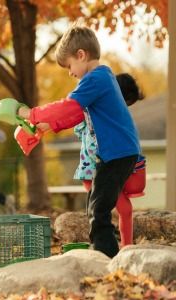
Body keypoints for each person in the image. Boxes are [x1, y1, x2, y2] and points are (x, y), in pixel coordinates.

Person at [17, 24, 142, 258]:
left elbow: (68, 106)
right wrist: (49, 125)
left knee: (99, 208)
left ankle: (108, 258)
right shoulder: (102, 76)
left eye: (69, 66)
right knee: (97, 204)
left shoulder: (95, 79)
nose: (70, 72)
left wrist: (31, 114)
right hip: (117, 152)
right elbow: (76, 115)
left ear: (81, 55)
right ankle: (110, 252)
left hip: (117, 153)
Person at [73, 72, 144, 247]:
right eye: (123, 105)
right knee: (107, 210)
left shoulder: (116, 122)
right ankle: (109, 247)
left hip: (107, 166)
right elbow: (78, 127)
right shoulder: (94, 114)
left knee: (112, 210)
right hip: (93, 169)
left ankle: (123, 246)